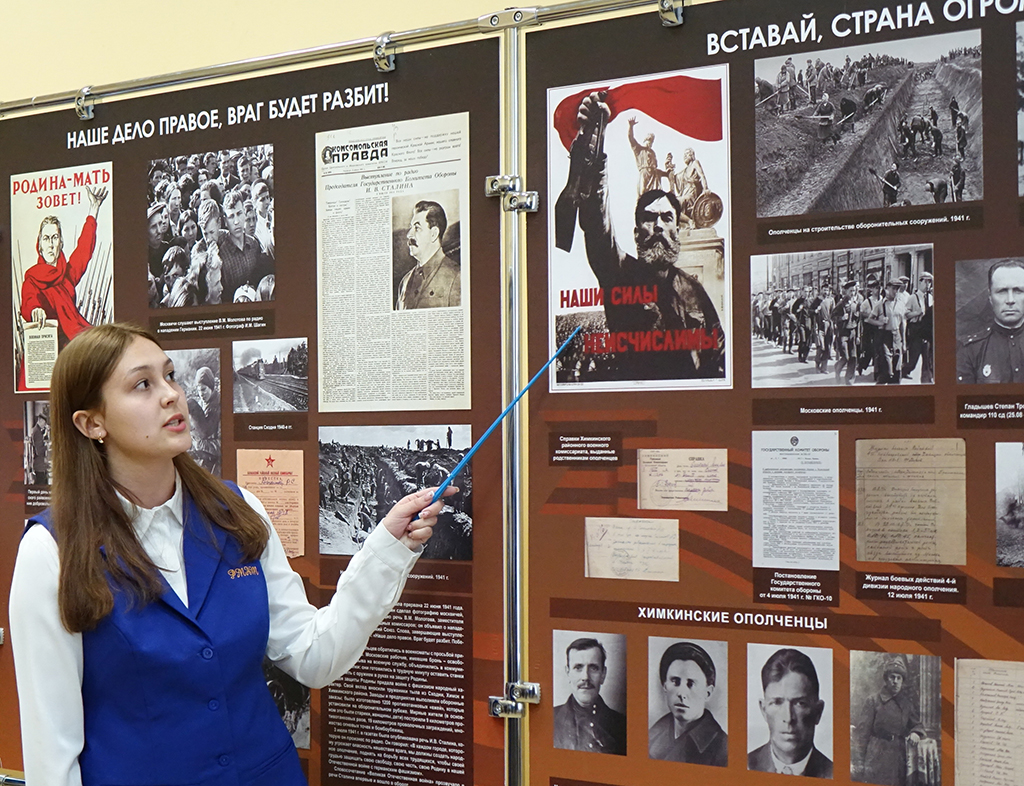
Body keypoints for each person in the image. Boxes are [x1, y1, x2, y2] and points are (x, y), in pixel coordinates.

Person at [9, 322, 455, 786]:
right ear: (92, 423)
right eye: (143, 384)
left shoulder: (237, 511)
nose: (172, 395)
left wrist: (387, 547)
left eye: (170, 375)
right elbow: (52, 754)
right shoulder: (51, 551)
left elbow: (314, 654)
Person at [572, 92, 726, 380]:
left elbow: (719, 358)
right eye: (649, 218)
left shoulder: (694, 290)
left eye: (666, 218)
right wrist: (593, 156)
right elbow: (597, 227)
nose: (658, 226)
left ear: (677, 229)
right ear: (636, 233)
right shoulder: (619, 274)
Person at [21, 185, 110, 348]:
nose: (50, 244)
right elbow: (29, 299)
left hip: (72, 346)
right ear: (39, 245)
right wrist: (35, 310)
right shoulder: (32, 279)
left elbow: (84, 249)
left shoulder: (66, 275)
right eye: (46, 238)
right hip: (47, 349)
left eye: (55, 237)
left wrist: (94, 209)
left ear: (61, 243)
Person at [748, 648, 833, 778]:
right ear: (764, 710)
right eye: (777, 702)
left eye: (800, 703)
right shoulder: (745, 765)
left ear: (818, 712)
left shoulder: (834, 774)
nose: (788, 718)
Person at [648, 641, 727, 766]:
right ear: (665, 686)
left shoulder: (723, 749)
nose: (681, 693)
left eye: (691, 684)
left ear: (708, 693)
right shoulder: (652, 735)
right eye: (675, 682)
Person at [852, 656, 924, 785]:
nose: (895, 681)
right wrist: (859, 763)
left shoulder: (906, 704)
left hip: (898, 757)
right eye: (892, 677)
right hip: (877, 755)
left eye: (899, 678)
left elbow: (917, 724)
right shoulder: (873, 701)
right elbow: (862, 735)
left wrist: (916, 732)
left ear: (902, 681)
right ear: (886, 679)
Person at [553, 638, 626, 755]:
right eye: (578, 668)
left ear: (603, 674)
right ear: (568, 673)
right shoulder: (550, 719)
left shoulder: (622, 725)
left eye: (593, 668)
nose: (586, 677)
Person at [957, 259, 1024, 383]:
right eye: (1002, 291)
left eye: (1018, 291)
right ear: (990, 297)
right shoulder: (970, 350)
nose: (1010, 300)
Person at [395, 200, 461, 309]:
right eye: (411, 228)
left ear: (434, 234)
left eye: (417, 228)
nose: (409, 234)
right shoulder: (405, 282)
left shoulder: (456, 276)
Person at [216, 189, 273, 302]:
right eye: (231, 216)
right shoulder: (221, 253)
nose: (236, 221)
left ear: (244, 213)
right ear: (225, 221)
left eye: (239, 214)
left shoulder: (254, 244)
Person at [866, 280, 906, 384]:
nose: (895, 291)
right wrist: (880, 322)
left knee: (897, 371)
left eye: (897, 289)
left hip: (897, 336)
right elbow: (869, 319)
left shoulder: (901, 304)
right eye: (893, 288)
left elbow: (902, 324)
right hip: (884, 337)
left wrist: (904, 343)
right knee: (887, 369)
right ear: (887, 289)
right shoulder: (880, 304)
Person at [187, 366, 220, 475]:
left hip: (217, 465)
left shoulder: (220, 407)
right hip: (203, 458)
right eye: (198, 390)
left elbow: (223, 445)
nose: (201, 394)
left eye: (203, 390)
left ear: (211, 387)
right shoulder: (202, 404)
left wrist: (200, 444)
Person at [904, 272, 934, 383]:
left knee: (927, 360)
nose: (928, 285)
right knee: (913, 361)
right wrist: (917, 313)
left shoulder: (930, 298)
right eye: (926, 282)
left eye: (930, 282)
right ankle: (901, 371)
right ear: (920, 282)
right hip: (916, 330)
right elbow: (906, 314)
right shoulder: (913, 298)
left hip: (927, 330)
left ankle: (926, 382)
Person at [627, 118, 660, 195]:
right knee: (642, 193)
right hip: (644, 173)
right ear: (645, 141)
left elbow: (656, 166)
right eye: (648, 141)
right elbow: (631, 138)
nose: (650, 144)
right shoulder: (638, 149)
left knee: (653, 194)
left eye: (651, 142)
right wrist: (631, 126)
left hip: (653, 175)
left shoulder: (652, 153)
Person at [27, 412, 50, 486]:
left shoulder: (36, 430)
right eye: (44, 423)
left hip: (38, 463)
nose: (44, 425)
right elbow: (39, 451)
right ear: (41, 420)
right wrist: (47, 446)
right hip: (39, 464)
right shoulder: (37, 432)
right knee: (41, 484)